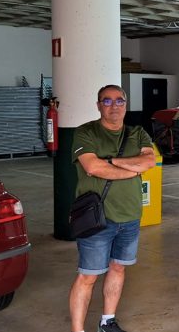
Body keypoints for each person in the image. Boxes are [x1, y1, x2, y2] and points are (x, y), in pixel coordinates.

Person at [69, 85, 156, 332]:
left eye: (119, 100)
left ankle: (107, 321)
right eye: (107, 101)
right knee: (88, 275)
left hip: (130, 216)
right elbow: (92, 168)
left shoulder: (137, 132)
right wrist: (131, 167)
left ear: (126, 104)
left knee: (118, 267)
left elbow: (149, 161)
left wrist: (111, 161)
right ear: (98, 105)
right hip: (97, 218)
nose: (114, 105)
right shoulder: (85, 132)